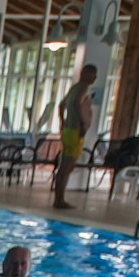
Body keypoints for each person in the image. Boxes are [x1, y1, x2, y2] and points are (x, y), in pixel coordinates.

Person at [52, 64, 98, 210]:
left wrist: (63, 122)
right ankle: (60, 200)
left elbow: (61, 105)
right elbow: (78, 104)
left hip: (68, 130)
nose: (95, 77)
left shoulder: (74, 88)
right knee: (67, 166)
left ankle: (58, 199)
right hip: (75, 131)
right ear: (86, 74)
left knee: (64, 166)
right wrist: (83, 124)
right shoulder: (83, 88)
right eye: (93, 74)